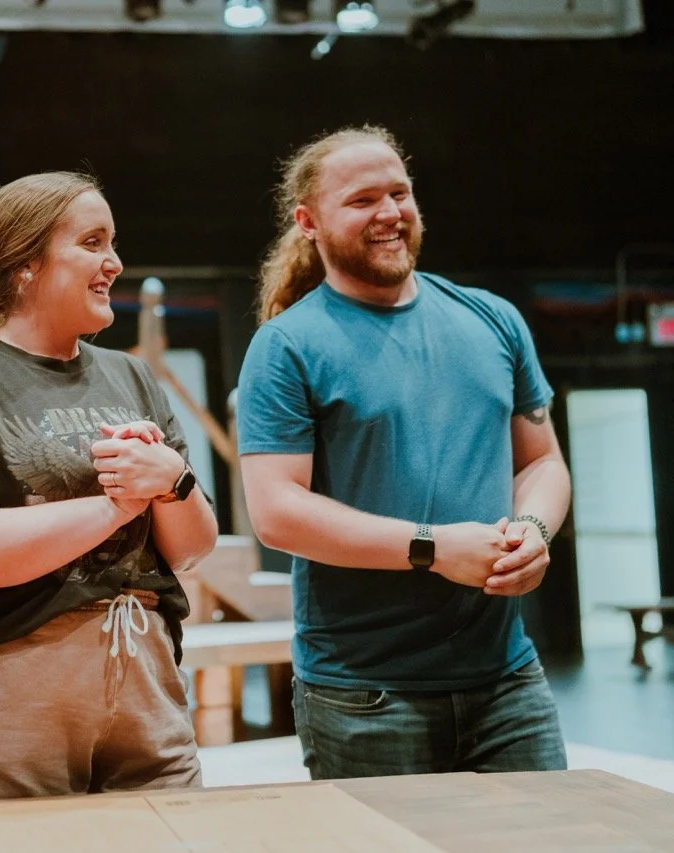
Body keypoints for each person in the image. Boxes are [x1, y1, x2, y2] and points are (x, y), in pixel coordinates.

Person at [236, 125, 571, 779]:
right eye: (363, 200)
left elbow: (542, 462)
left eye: (399, 193)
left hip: (507, 678)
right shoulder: (288, 346)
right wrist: (433, 548)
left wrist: (534, 529)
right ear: (308, 221)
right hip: (364, 692)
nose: (390, 212)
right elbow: (276, 512)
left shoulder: (492, 319)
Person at [0, 171, 218, 803]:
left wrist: (174, 482)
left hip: (146, 681)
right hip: (2, 686)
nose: (114, 262)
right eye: (92, 242)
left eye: (114, 243)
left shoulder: (133, 377)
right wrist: (117, 505)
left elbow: (193, 549)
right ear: (26, 265)